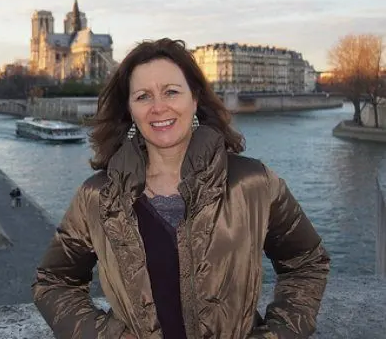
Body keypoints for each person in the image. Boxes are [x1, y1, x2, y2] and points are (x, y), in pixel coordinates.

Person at [32, 38, 330, 339]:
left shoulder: (254, 183)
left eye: (171, 92)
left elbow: (308, 263)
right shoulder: (97, 196)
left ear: (195, 99)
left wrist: (278, 334)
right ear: (129, 109)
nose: (159, 107)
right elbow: (54, 282)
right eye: (143, 96)